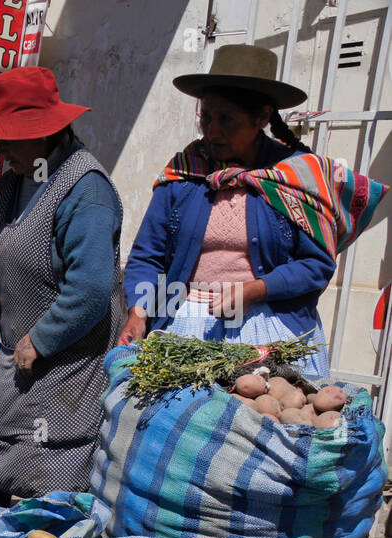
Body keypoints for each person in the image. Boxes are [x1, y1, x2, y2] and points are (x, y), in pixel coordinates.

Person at [118, 45, 382, 379]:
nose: (212, 131)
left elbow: (316, 266)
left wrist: (254, 289)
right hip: (183, 326)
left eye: (227, 119)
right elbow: (147, 255)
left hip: (270, 332)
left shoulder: (296, 178)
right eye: (206, 117)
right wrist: (139, 310)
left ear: (261, 118)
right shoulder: (184, 173)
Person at [0, 66, 123, 510]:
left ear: (46, 131)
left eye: (9, 138)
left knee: (50, 478)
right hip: (19, 355)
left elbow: (91, 289)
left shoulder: (85, 190)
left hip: (67, 363)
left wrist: (45, 337)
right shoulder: (12, 180)